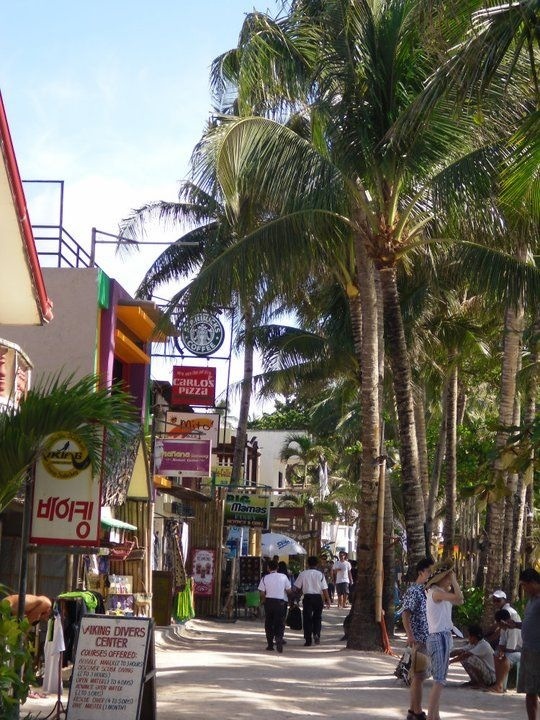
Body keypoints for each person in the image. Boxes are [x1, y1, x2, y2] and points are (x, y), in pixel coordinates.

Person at [424, 562, 464, 720]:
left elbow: (460, 600)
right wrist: (454, 581)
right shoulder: (436, 592)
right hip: (438, 636)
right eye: (448, 577)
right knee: (439, 680)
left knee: (440, 680)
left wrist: (452, 580)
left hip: (444, 636)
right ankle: (430, 716)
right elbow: (459, 597)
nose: (450, 579)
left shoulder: (440, 591)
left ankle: (435, 716)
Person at [401, 557, 434, 720]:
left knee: (418, 676)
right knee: (419, 676)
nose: (432, 575)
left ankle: (413, 710)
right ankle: (417, 711)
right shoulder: (414, 591)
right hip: (419, 638)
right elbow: (406, 614)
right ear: (421, 572)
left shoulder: (428, 591)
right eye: (429, 571)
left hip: (426, 638)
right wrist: (410, 635)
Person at [504, 567, 540, 720]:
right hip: (528, 649)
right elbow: (530, 623)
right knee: (529, 690)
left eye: (524, 585)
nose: (523, 589)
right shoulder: (532, 600)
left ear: (533, 583)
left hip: (537, 651)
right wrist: (516, 625)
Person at [294, 555, 331, 647]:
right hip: (318, 598)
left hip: (307, 598)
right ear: (317, 564)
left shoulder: (303, 574)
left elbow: (297, 588)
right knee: (317, 617)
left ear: (307, 564)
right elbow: (324, 589)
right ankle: (317, 634)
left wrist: (295, 598)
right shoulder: (320, 574)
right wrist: (328, 599)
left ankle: (308, 640)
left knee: (307, 619)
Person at [258, 559, 291, 653]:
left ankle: (270, 645)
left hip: (269, 602)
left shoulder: (264, 578)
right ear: (277, 568)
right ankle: (279, 637)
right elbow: (289, 591)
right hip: (280, 603)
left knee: (268, 623)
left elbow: (262, 593)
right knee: (280, 622)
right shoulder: (284, 577)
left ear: (268, 568)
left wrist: (263, 601)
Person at [449, 624, 495, 688]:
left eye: (469, 636)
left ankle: (481, 683)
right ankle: (474, 681)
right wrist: (447, 655)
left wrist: (449, 662)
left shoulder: (483, 645)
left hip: (491, 677)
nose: (468, 638)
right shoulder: (474, 644)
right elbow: (460, 651)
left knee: (470, 658)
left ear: (474, 637)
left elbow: (465, 655)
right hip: (486, 674)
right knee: (463, 658)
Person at [488, 607, 522, 693]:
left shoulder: (513, 629)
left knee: (506, 658)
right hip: (511, 650)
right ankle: (498, 682)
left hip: (520, 651)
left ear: (502, 622)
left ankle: (499, 685)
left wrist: (503, 651)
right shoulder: (503, 628)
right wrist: (500, 650)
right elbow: (501, 643)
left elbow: (511, 648)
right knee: (495, 655)